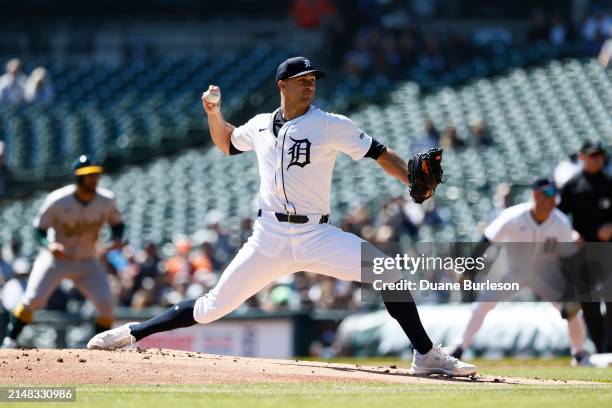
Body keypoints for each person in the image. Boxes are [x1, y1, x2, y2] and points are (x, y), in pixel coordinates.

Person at [87, 56, 476, 377]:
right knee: (211, 308)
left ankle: (426, 355)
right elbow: (225, 143)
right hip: (269, 236)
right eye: (301, 79)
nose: (309, 85)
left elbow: (379, 152)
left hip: (317, 236)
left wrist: (410, 177)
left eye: (313, 80)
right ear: (282, 86)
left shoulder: (330, 124)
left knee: (387, 272)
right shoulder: (258, 125)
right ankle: (131, 333)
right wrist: (213, 112)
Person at [450, 178, 589, 366]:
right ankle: (458, 349)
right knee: (481, 306)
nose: (552, 198)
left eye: (554, 194)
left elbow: (569, 257)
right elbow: (487, 240)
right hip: (511, 270)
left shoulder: (561, 222)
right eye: (548, 193)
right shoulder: (514, 215)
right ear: (535, 195)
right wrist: (468, 267)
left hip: (546, 273)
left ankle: (579, 354)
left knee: (572, 308)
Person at [1, 155, 126, 349]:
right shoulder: (58, 199)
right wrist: (48, 245)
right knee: (33, 299)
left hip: (87, 260)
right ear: (78, 177)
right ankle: (10, 340)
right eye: (88, 175)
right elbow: (39, 229)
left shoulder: (106, 200)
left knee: (106, 304)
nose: (93, 179)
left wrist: (117, 239)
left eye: (95, 174)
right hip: (57, 258)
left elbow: (118, 224)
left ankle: (99, 347)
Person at [558, 141, 612, 353]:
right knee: (588, 303)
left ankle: (610, 347)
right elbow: (559, 217)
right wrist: (570, 232)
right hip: (582, 252)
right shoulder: (572, 185)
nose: (596, 158)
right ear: (582, 157)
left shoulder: (610, 183)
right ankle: (600, 348)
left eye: (599, 155)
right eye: (591, 155)